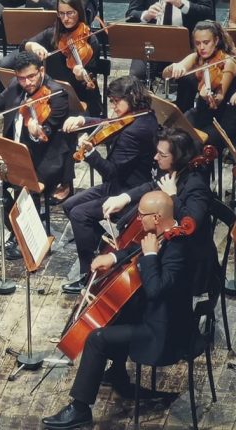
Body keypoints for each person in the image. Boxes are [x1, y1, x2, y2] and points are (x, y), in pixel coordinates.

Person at [42, 190, 194, 429]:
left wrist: (151, 255)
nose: (138, 219)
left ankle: (80, 409)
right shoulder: (162, 232)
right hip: (153, 315)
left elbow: (155, 289)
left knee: (96, 338)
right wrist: (112, 259)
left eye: (141, 215)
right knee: (113, 311)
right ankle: (118, 376)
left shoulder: (179, 248)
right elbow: (135, 251)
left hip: (164, 332)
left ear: (156, 218)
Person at [0, 51, 70, 260]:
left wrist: (38, 132)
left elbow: (50, 130)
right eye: (22, 78)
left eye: (31, 77)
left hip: (44, 159)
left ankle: (31, 236)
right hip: (14, 155)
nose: (27, 83)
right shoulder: (15, 85)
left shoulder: (57, 95)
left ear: (42, 71)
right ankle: (18, 229)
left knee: (24, 185)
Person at [60, 75, 158, 293]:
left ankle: (89, 276)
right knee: (69, 206)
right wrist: (84, 121)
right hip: (120, 183)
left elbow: (111, 172)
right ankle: (102, 251)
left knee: (79, 214)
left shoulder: (135, 132)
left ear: (131, 98)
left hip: (128, 191)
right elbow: (110, 124)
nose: (113, 107)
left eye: (116, 101)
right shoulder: (143, 114)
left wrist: (91, 154)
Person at [102, 127, 218, 295]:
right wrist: (125, 197)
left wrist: (172, 196)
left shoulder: (197, 186)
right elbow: (152, 185)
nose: (156, 158)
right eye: (157, 152)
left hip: (190, 261)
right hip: (171, 246)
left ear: (178, 158)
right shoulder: (173, 171)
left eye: (162, 155)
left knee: (144, 286)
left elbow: (190, 223)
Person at [0, 0, 103, 118]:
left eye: (70, 13)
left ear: (79, 12)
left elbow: (90, 83)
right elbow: (23, 45)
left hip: (78, 98)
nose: (65, 18)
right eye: (61, 13)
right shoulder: (53, 33)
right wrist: (33, 45)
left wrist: (81, 78)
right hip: (53, 95)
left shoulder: (91, 41)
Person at [126, 0, 213, 111]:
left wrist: (181, 4)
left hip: (188, 47)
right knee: (136, 74)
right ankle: (145, 114)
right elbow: (130, 14)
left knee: (188, 78)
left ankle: (182, 118)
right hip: (153, 45)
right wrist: (146, 15)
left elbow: (208, 13)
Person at [164, 20, 236, 154]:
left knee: (193, 144)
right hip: (201, 112)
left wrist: (206, 96)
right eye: (197, 43)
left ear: (216, 40)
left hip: (221, 119)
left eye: (206, 42)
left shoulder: (228, 62)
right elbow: (165, 74)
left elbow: (219, 99)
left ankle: (193, 173)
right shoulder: (196, 57)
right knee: (170, 135)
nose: (201, 47)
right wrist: (174, 67)